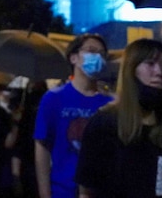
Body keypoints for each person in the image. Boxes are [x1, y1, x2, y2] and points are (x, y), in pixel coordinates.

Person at [75, 38, 162, 198]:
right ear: (131, 70)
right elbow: (87, 192)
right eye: (150, 63)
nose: (159, 72)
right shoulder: (104, 124)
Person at [34, 33, 114, 198]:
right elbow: (42, 148)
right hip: (62, 191)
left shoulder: (111, 103)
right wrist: (44, 193)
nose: (97, 57)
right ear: (73, 58)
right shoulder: (53, 98)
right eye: (91, 51)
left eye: (101, 54)